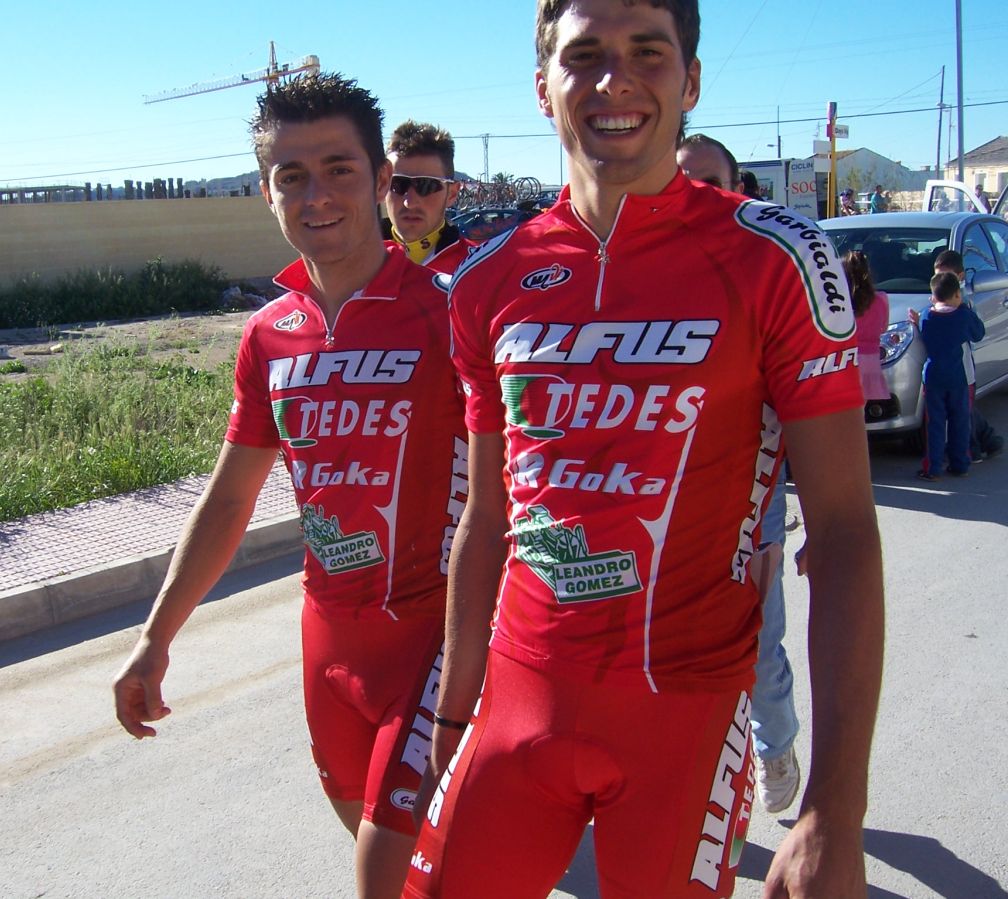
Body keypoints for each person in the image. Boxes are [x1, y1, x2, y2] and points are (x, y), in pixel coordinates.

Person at [405, 2, 884, 897]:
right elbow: (488, 516)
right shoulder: (486, 280)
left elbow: (847, 532)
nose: (613, 80)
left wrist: (834, 807)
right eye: (583, 54)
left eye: (647, 52)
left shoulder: (777, 258)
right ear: (543, 87)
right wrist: (453, 706)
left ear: (690, 80)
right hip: (517, 697)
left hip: (686, 716)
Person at [113, 73, 467, 899]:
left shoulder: (452, 314)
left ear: (381, 179)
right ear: (265, 190)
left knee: (388, 876)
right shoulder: (268, 334)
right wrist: (155, 636)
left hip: (436, 640)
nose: (318, 195)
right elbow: (230, 498)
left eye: (340, 168)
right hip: (328, 646)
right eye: (292, 175)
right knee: (405, 868)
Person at [677, 133, 802, 816]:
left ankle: (774, 742)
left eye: (711, 183)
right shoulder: (641, 272)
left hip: (754, 497)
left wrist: (816, 519)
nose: (696, 195)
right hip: (663, 500)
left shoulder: (766, 274)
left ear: (738, 191)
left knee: (756, 635)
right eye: (683, 181)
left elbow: (807, 410)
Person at [918, 249, 1004, 461]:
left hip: (962, 369)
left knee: (962, 413)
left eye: (947, 276)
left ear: (960, 276)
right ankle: (988, 440)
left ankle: (971, 451)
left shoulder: (961, 303)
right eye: (937, 276)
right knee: (960, 410)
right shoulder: (935, 303)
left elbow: (976, 332)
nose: (943, 282)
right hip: (944, 370)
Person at [915, 271, 985, 480]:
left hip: (933, 377)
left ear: (933, 296)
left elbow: (923, 326)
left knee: (935, 424)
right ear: (956, 294)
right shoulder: (963, 316)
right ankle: (960, 464)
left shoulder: (927, 316)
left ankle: (933, 467)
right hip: (957, 377)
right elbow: (978, 333)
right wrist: (965, 308)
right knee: (960, 421)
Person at [381, 120, 471, 274]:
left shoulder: (475, 268)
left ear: (452, 194)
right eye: (398, 184)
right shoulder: (349, 261)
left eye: (426, 186)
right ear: (381, 187)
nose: (410, 202)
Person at [843, 249, 891, 402]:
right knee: (864, 408)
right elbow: (883, 328)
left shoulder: (842, 303)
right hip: (872, 361)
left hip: (848, 361)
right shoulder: (882, 299)